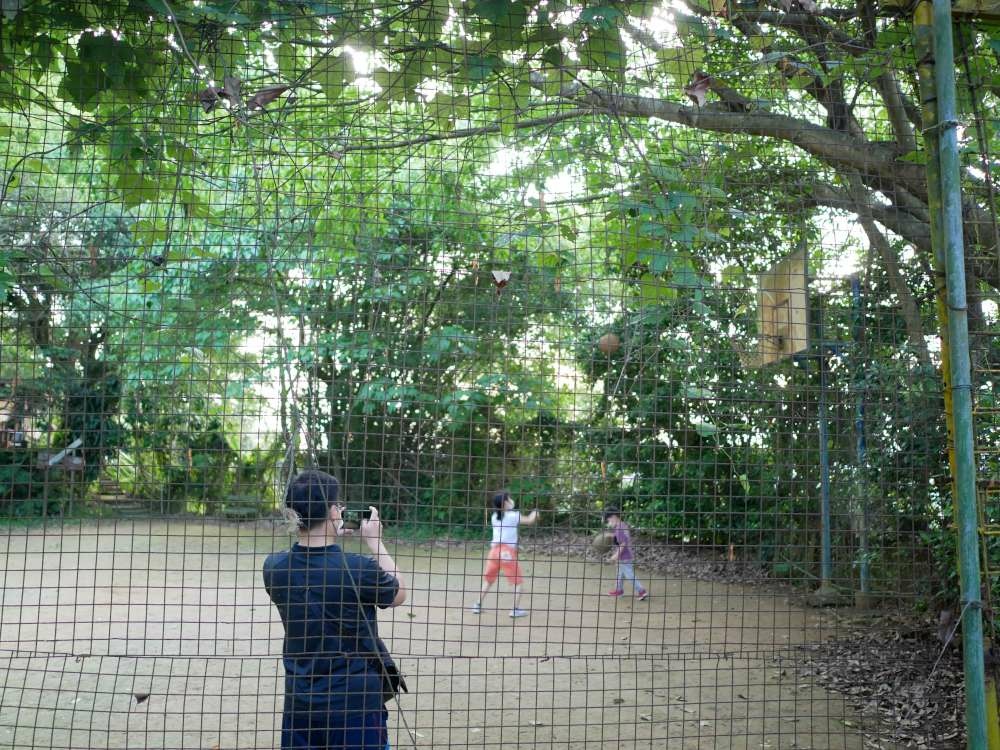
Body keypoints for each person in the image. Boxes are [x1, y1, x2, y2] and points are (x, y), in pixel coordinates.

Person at [262, 470, 407, 750]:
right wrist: (375, 542)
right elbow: (399, 592)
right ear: (332, 511)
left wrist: (328, 534)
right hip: (355, 704)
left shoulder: (274, 568)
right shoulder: (358, 568)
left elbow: (314, 575)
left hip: (301, 704)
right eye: (338, 504)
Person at [469, 489, 539, 618]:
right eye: (509, 498)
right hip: (506, 552)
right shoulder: (513, 516)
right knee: (517, 582)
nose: (511, 500)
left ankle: (477, 605)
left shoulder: (494, 517)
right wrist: (536, 512)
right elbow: (530, 520)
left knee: (489, 580)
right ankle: (515, 609)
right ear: (505, 503)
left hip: (494, 552)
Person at [603, 507, 648, 601]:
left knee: (629, 575)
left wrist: (615, 556)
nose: (609, 523)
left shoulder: (618, 529)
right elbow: (623, 538)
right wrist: (612, 535)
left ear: (614, 517)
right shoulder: (622, 525)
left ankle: (641, 591)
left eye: (609, 520)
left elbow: (623, 544)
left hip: (624, 556)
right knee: (620, 574)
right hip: (627, 555)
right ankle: (618, 590)